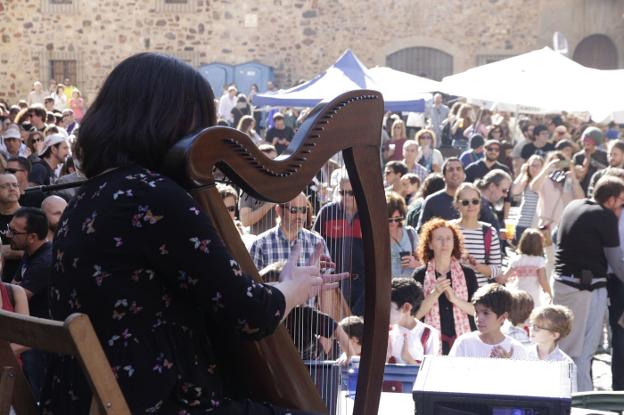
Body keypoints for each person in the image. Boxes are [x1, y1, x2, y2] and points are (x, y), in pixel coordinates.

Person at [41, 52, 345, 415]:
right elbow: (248, 315)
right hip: (156, 402)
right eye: (200, 123)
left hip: (83, 399)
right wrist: (293, 290)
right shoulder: (154, 196)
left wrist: (277, 284)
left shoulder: (87, 197)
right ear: (171, 120)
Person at [553, 176, 624, 391]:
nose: (622, 207)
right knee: (582, 353)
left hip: (562, 285)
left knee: (565, 349)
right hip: (585, 289)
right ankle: (580, 403)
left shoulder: (573, 206)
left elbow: (557, 237)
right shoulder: (606, 217)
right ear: (611, 200)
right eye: (621, 202)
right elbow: (616, 263)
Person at [412, 218, 478, 354]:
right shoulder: (420, 275)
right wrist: (435, 293)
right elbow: (415, 315)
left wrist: (454, 298)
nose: (445, 243)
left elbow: (476, 311)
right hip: (430, 342)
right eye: (439, 239)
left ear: (454, 243)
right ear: (430, 244)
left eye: (449, 238)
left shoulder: (467, 274)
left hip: (462, 342)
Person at [10, 207, 51, 400]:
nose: (9, 235)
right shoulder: (30, 253)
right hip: (28, 331)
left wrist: (14, 290)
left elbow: (16, 295)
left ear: (32, 237)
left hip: (38, 339)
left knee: (31, 395)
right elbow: (14, 286)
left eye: (14, 232)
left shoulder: (44, 261)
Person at [314, 171, 366, 316]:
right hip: (333, 283)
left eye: (351, 193)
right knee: (335, 329)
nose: (347, 197)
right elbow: (314, 245)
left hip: (363, 284)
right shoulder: (327, 212)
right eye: (343, 192)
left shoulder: (368, 214)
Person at [449, 283, 528, 359]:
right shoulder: (464, 343)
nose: (478, 318)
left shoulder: (516, 349)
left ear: (503, 317)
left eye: (486, 313)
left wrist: (508, 366)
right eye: (476, 312)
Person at [451, 183, 502, 287]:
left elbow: (496, 270)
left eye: (475, 201)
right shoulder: (448, 229)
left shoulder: (489, 232)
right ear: (457, 204)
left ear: (480, 203)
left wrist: (476, 266)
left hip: (479, 295)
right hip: (451, 292)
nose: (471, 205)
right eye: (465, 202)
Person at [387, 278, 440, 364]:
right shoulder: (386, 332)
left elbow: (429, 371)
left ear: (406, 307)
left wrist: (408, 359)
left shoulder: (428, 333)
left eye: (388, 308)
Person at [527, 305, 577, 392]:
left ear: (554, 335)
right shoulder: (524, 354)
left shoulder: (566, 363)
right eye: (532, 325)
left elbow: (570, 395)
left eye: (537, 328)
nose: (531, 329)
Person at [502, 229, 551, 306]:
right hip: (533, 295)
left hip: (517, 293)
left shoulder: (517, 259)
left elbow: (504, 277)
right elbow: (543, 281)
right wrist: (549, 293)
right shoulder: (539, 261)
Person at [511, 155, 544, 243]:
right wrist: (522, 173)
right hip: (522, 223)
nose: (535, 168)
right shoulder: (525, 180)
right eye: (532, 165)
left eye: (538, 166)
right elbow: (515, 191)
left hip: (537, 225)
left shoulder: (545, 182)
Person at [386, 192, 420, 278]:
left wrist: (415, 263)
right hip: (386, 287)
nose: (393, 223)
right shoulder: (376, 237)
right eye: (389, 219)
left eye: (397, 219)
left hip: (408, 286)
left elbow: (425, 263)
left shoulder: (410, 233)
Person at [0, 173, 23, 282]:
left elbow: (40, 249)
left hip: (23, 279)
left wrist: (4, 250)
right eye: (5, 186)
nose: (12, 188)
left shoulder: (32, 216)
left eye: (15, 185)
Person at [574, 126, 608, 195]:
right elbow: (579, 176)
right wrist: (587, 157)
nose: (586, 143)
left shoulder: (604, 155)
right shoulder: (578, 157)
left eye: (589, 141)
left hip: (601, 189)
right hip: (583, 190)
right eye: (585, 140)